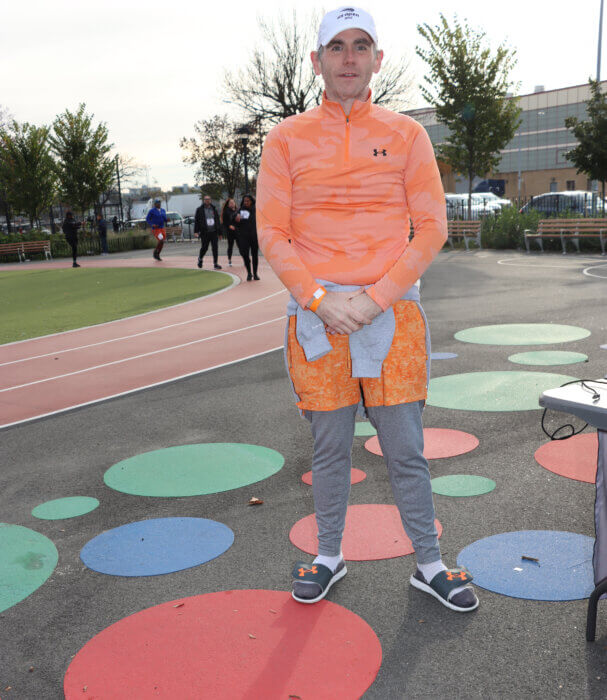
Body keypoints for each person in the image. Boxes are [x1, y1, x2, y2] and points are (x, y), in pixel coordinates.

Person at [257, 6, 478, 612]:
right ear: (317, 61)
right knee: (329, 448)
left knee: (405, 448)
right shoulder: (284, 140)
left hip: (392, 314)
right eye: (337, 47)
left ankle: (429, 563)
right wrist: (323, 300)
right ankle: (328, 555)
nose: (348, 58)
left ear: (378, 58)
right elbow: (273, 233)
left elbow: (432, 228)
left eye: (361, 46)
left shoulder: (407, 135)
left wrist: (374, 299)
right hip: (318, 316)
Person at [234, 194, 259, 281]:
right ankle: (249, 273)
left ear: (251, 201)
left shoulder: (256, 210)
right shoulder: (240, 210)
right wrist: (236, 217)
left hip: (254, 236)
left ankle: (255, 274)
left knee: (255, 255)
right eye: (245, 201)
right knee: (245, 254)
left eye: (248, 201)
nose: (246, 202)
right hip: (243, 237)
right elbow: (234, 218)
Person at [194, 195, 222, 270]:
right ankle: (200, 258)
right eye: (206, 199)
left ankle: (215, 264)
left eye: (208, 199)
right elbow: (196, 221)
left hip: (214, 232)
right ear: (204, 200)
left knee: (215, 248)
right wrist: (196, 231)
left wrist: (220, 233)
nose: (207, 201)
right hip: (205, 232)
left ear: (210, 200)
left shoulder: (214, 209)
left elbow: (217, 221)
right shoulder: (199, 209)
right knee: (204, 248)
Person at [221, 198, 238, 267]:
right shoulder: (226, 211)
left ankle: (245, 258)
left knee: (241, 245)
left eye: (233, 202)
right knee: (230, 246)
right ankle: (229, 260)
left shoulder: (237, 210)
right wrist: (229, 226)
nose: (232, 204)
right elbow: (224, 222)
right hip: (230, 231)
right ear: (228, 205)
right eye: (230, 203)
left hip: (237, 231)